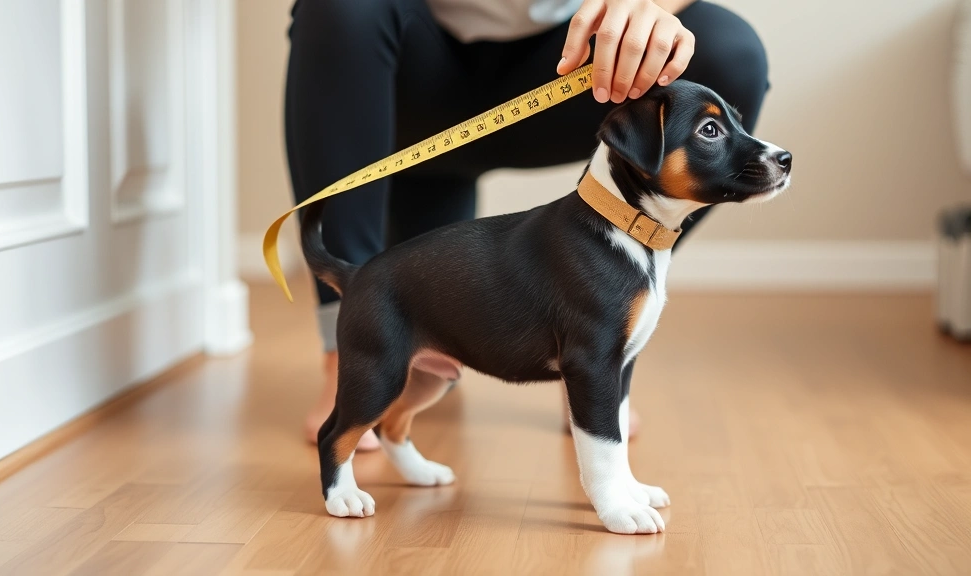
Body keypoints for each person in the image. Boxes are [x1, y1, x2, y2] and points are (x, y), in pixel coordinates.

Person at [284, 0, 770, 450]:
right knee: (340, 5)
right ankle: (348, 356)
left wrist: (646, 9)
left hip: (573, 62)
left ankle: (595, 334)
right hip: (412, 74)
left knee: (728, 49)